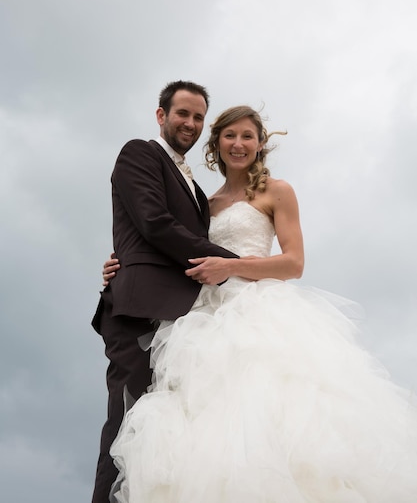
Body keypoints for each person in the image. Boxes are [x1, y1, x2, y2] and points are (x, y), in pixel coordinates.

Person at [104, 105, 417, 503]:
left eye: (247, 136)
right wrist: (118, 263)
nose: (238, 144)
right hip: (201, 319)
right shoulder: (204, 204)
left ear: (260, 144)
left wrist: (231, 265)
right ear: (216, 144)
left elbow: (294, 263)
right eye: (230, 136)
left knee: (276, 411)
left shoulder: (277, 191)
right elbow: (167, 241)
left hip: (259, 311)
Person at [91, 81, 241, 503]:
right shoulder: (139, 152)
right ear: (161, 115)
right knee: (128, 424)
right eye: (182, 113)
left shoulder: (196, 190)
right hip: (140, 310)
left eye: (198, 117)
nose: (190, 123)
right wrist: (237, 264)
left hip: (185, 321)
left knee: (171, 435)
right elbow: (154, 223)